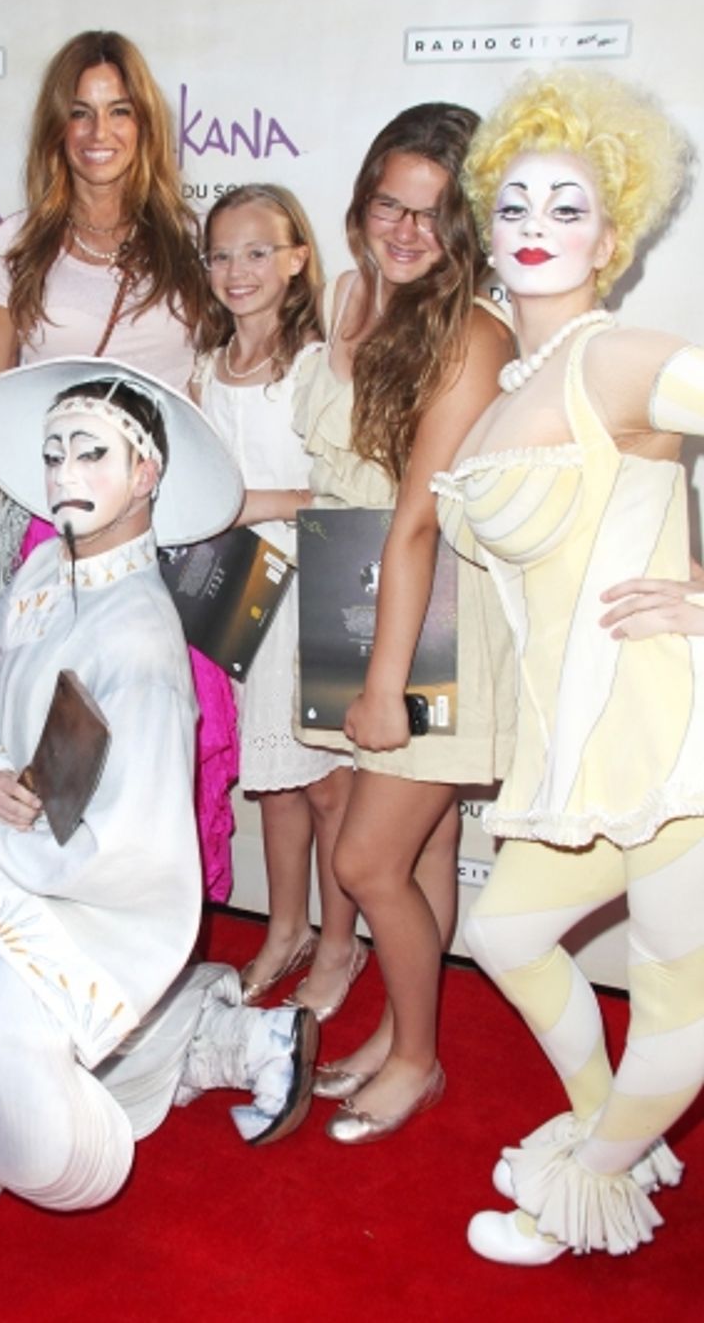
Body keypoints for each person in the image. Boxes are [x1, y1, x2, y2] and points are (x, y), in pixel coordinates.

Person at [0, 359, 318, 1250]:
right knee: (47, 1036)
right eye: (54, 453)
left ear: (146, 475)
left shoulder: (140, 634)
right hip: (23, 855)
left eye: (92, 453)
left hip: (89, 890)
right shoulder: (47, 567)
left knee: (17, 1052)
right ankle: (233, 1034)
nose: (63, 475)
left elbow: (126, 836)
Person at [433, 68, 697, 1263]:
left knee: (678, 994)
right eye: (517, 206)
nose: (538, 230)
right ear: (487, 226)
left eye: (569, 208)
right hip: (567, 743)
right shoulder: (509, 384)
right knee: (502, 934)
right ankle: (615, 1132)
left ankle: (578, 1188)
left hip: (671, 733)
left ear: (616, 231)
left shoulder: (622, 359)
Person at [0, 29, 240, 902]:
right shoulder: (12, 249)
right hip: (51, 529)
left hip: (168, 528)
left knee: (170, 744)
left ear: (144, 126)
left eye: (118, 111)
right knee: (48, 738)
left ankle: (159, 923)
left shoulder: (192, 246)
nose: (99, 132)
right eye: (79, 113)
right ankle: (45, 918)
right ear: (55, 131)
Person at [291, 104, 515, 1137]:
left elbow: (420, 517)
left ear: (469, 226)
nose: (407, 230)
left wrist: (385, 685)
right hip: (359, 588)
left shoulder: (475, 332)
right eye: (390, 202)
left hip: (434, 621)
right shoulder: (354, 297)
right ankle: (399, 1028)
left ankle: (419, 1057)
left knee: (365, 862)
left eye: (435, 214)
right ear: (363, 200)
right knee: (419, 858)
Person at [191, 184, 352, 1005]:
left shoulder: (320, 364)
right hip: (239, 588)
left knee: (327, 786)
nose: (237, 269)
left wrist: (257, 503)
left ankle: (337, 944)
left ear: (296, 260)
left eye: (258, 251)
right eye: (221, 253)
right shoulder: (207, 368)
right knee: (275, 780)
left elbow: (333, 495)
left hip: (313, 586)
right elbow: (191, 487)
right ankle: (285, 929)